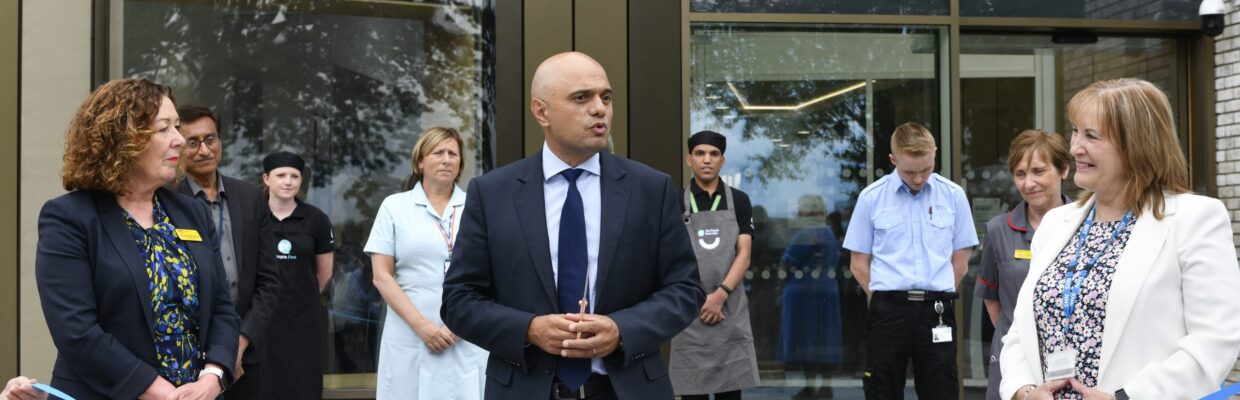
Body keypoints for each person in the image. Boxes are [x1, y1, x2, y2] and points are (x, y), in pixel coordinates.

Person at [441, 51, 704, 400]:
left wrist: (621, 330)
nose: (600, 109)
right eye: (582, 97)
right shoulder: (491, 194)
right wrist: (529, 329)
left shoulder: (650, 188)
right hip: (525, 389)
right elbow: (459, 300)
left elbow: (685, 289)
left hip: (626, 389)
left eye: (606, 97)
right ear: (541, 111)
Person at [1000, 78, 1240, 400]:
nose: (1074, 148)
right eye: (1075, 131)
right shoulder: (1057, 222)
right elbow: (1020, 331)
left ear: (1136, 144)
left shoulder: (1195, 219)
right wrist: (1024, 392)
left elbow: (1215, 341)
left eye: (1091, 136)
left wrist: (1124, 398)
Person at [35, 78, 238, 399]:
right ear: (122, 138)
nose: (179, 140)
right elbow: (77, 332)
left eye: (177, 127)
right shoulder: (69, 218)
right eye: (164, 129)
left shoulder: (190, 212)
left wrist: (213, 377)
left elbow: (222, 309)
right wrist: (161, 392)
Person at [843, 122, 978, 400]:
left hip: (936, 308)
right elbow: (858, 264)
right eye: (909, 171)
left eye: (925, 169)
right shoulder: (871, 198)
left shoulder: (953, 196)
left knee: (941, 388)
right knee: (882, 387)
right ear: (893, 160)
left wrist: (936, 291)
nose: (918, 179)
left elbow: (961, 261)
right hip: (888, 308)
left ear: (935, 155)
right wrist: (883, 297)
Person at [366, 127, 487, 399]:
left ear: (460, 164)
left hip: (465, 335)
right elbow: (381, 276)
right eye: (438, 153)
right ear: (420, 161)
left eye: (453, 154)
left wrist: (457, 327)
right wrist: (423, 327)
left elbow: (491, 275)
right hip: (410, 334)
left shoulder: (478, 207)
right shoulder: (394, 207)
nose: (446, 159)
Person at [173, 105, 280, 399]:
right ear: (179, 146)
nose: (204, 149)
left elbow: (269, 279)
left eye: (211, 139)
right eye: (193, 142)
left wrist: (241, 341)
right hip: (191, 353)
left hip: (247, 353)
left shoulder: (250, 197)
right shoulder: (167, 201)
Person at [973, 130, 1072, 400]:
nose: (1029, 183)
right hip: (1013, 360)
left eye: (1039, 171)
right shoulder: (997, 230)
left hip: (1070, 360)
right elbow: (992, 302)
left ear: (1063, 169)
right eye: (1020, 174)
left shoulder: (1087, 224)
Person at [670, 130, 760, 400]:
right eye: (700, 153)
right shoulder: (676, 201)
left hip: (729, 307)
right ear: (689, 160)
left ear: (722, 160)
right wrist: (701, 299)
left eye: (713, 154)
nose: (706, 160)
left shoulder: (740, 201)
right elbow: (672, 257)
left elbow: (744, 254)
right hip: (691, 309)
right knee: (691, 394)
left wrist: (719, 295)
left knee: (730, 393)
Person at [259, 151, 335, 399]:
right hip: (261, 319)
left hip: (303, 321)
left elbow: (324, 274)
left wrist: (302, 296)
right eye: (281, 175)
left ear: (301, 181)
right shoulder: (253, 215)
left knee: (302, 384)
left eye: (294, 176)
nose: (288, 181)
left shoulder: (316, 219)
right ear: (267, 179)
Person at [779, 195, 843, 399]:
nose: (798, 213)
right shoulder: (829, 234)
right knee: (823, 339)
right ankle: (823, 385)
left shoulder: (805, 234)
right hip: (826, 291)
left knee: (806, 340)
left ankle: (810, 387)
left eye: (801, 209)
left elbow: (786, 264)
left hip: (803, 295)